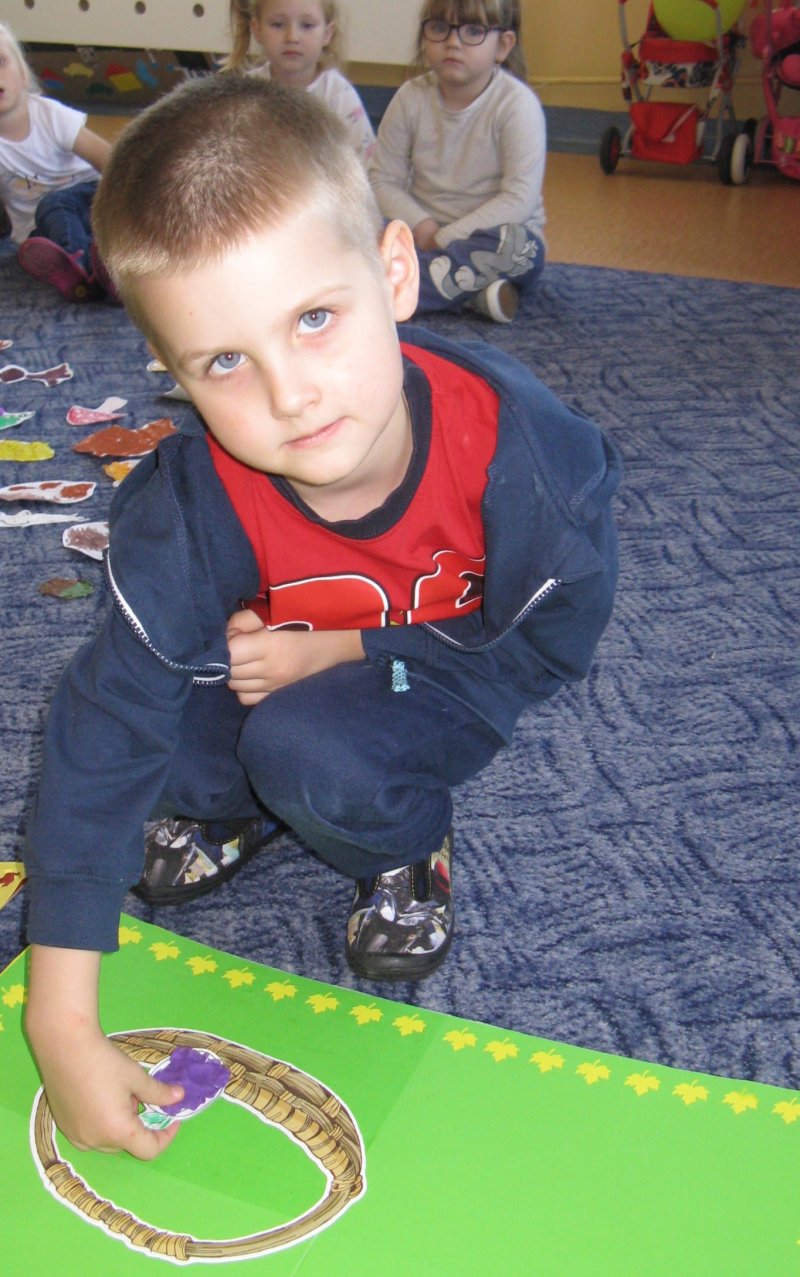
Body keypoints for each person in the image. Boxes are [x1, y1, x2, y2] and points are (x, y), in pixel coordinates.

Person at [23, 74, 620, 1158]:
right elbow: (108, 713)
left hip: (447, 669)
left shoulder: (536, 467)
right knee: (152, 745)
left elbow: (540, 653)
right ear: (173, 372)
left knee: (310, 753)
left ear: (393, 273)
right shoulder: (195, 495)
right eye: (225, 361)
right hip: (273, 661)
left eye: (313, 318)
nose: (290, 395)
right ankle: (248, 809)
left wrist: (350, 647)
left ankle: (408, 849)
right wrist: (59, 1019)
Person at [369, 0, 546, 324]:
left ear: (503, 46)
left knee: (518, 246)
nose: (453, 42)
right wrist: (422, 227)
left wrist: (445, 238)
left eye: (473, 31)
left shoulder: (517, 105)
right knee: (359, 224)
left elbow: (520, 198)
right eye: (440, 28)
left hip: (489, 238)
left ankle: (391, 292)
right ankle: (472, 296)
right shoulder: (409, 98)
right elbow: (383, 180)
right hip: (421, 234)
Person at [0, 21, 114, 302]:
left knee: (56, 204)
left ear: (23, 74)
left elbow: (108, 160)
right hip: (42, 229)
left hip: (89, 199)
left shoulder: (49, 116)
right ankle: (92, 277)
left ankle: (84, 268)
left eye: (1, 62)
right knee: (38, 241)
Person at [223, 0, 375, 166]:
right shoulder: (246, 92)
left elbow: (364, 165)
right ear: (257, 30)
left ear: (327, 33)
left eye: (307, 25)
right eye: (277, 24)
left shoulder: (338, 94)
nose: (292, 37)